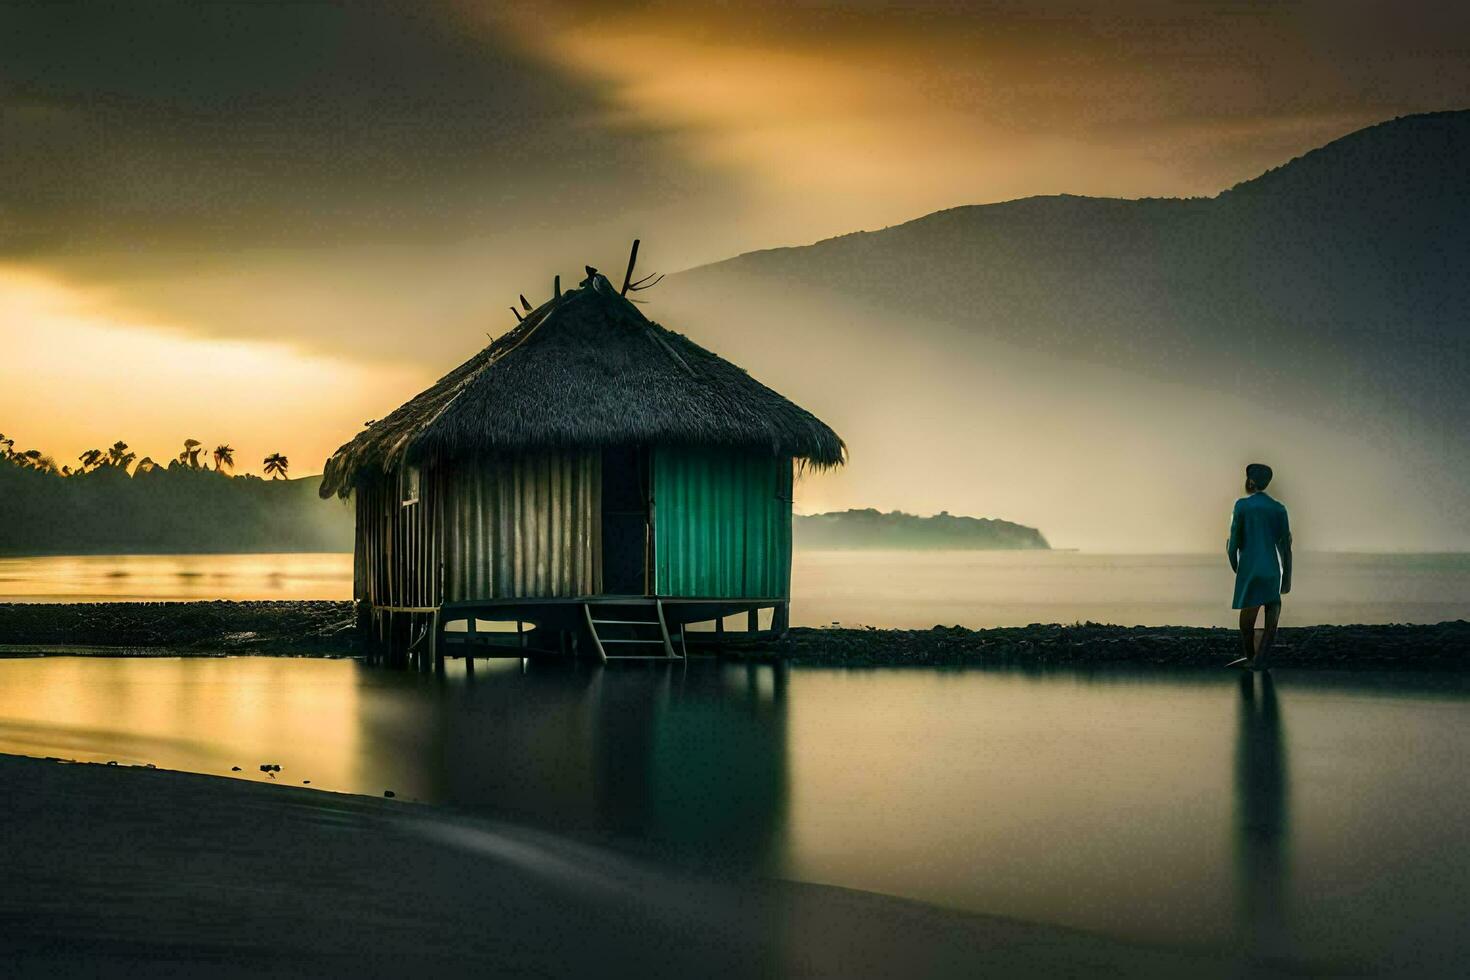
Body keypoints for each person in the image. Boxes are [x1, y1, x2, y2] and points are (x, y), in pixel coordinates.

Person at [1227, 463, 1292, 669]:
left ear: (1251, 481)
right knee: (1272, 614)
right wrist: (1287, 578)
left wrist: (1236, 565)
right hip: (1273, 569)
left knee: (1246, 623)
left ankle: (1250, 657)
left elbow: (1234, 543)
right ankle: (1261, 659)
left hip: (1251, 570)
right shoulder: (1278, 508)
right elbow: (1285, 547)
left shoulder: (1242, 506)